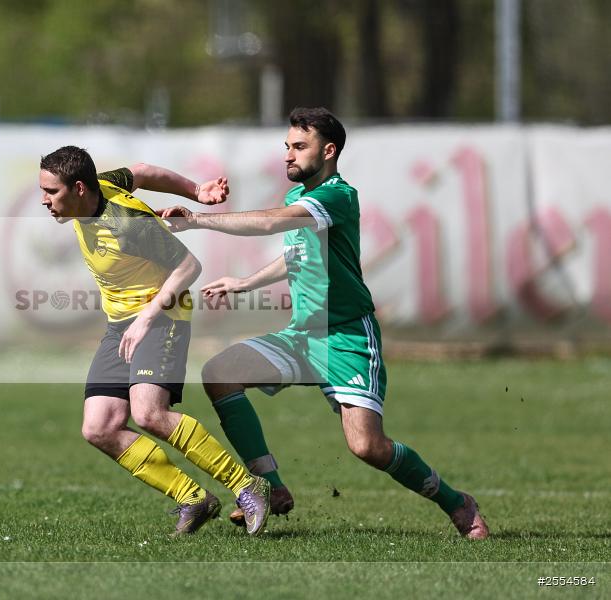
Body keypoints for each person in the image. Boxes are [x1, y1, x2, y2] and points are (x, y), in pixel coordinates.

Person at [157, 108, 489, 539]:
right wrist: (246, 282)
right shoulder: (300, 200)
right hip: (302, 335)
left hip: (347, 336)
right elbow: (297, 254)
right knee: (220, 374)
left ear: (328, 151)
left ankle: (456, 502)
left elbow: (271, 222)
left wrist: (198, 219)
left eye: (299, 147)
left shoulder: (337, 196)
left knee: (367, 447)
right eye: (286, 148)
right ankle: (271, 487)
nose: (288, 156)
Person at [38, 146, 271, 536]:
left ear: (78, 188)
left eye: (51, 191)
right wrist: (198, 191)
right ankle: (193, 497)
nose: (44, 200)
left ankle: (248, 487)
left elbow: (188, 266)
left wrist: (147, 316)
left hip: (163, 316)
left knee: (149, 413)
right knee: (99, 427)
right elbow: (143, 172)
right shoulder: (101, 185)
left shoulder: (127, 224)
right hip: (121, 325)